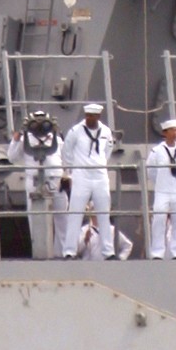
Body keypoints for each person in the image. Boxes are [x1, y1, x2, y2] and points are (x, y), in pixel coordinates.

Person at [6, 111, 66, 260]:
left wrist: (67, 176)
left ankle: (63, 253)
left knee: (62, 217)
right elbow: (12, 157)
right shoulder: (25, 140)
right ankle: (38, 252)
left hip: (56, 181)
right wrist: (16, 140)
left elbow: (67, 158)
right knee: (35, 218)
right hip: (34, 181)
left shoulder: (57, 140)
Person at [60, 103, 116, 259]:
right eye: (88, 115)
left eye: (93, 116)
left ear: (98, 116)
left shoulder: (105, 131)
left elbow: (107, 151)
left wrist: (99, 164)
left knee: (103, 213)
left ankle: (108, 251)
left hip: (100, 176)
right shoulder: (76, 131)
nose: (90, 118)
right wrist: (74, 169)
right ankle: (69, 251)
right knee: (75, 212)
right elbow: (67, 151)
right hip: (81, 175)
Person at [146, 117, 176, 260]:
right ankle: (157, 252)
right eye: (172, 130)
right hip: (162, 191)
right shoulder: (156, 151)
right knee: (159, 220)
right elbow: (151, 171)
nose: (175, 133)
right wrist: (160, 183)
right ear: (165, 133)